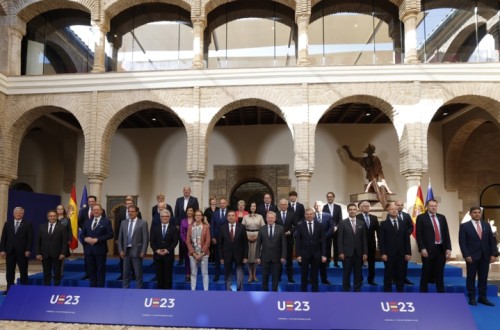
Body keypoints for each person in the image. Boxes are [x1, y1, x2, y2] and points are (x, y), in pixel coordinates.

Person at [459, 206, 498, 306]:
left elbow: (492, 241)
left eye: (478, 212)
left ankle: (482, 297)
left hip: (485, 256)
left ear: (480, 214)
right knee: (471, 277)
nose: (477, 214)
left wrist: (494, 254)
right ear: (470, 214)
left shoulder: (486, 225)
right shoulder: (464, 226)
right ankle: (471, 297)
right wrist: (466, 255)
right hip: (471, 257)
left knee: (483, 277)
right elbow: (462, 242)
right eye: (474, 212)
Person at [416, 199, 452, 293]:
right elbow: (419, 235)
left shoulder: (442, 217)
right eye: (431, 206)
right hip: (427, 250)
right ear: (427, 207)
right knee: (426, 272)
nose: (434, 207)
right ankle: (423, 293)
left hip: (441, 249)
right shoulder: (421, 218)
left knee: (440, 273)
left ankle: (441, 294)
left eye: (435, 206)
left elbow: (446, 234)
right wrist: (422, 248)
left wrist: (448, 248)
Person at [0, 207, 34, 294]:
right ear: (13, 214)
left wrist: (28, 249)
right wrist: (2, 250)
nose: (18, 214)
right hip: (10, 251)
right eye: (16, 213)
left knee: (23, 271)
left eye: (20, 213)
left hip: (22, 252)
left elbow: (30, 238)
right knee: (10, 271)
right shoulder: (8, 223)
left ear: (23, 214)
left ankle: (23, 289)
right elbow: (3, 238)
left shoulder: (28, 224)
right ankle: (9, 289)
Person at [379, 203, 411, 292]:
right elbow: (381, 240)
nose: (394, 211)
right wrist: (383, 253)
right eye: (392, 209)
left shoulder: (403, 223)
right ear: (388, 211)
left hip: (401, 254)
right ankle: (387, 294)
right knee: (388, 275)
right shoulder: (383, 224)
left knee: (400, 275)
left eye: (396, 209)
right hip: (388, 254)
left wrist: (408, 252)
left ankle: (400, 293)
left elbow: (406, 239)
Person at [81, 204, 113, 287]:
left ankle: (100, 288)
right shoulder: (87, 221)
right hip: (88, 250)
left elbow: (110, 235)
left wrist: (97, 239)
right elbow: (82, 235)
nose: (96, 211)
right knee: (90, 270)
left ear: (101, 211)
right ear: (92, 211)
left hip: (100, 250)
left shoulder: (106, 221)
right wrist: (85, 239)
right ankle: (92, 287)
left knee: (100, 270)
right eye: (94, 210)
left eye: (98, 210)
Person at [338, 203, 367, 292]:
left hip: (359, 253)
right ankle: (346, 289)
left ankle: (357, 289)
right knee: (346, 272)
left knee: (358, 273)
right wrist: (341, 252)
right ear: (348, 211)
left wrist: (365, 252)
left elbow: (364, 239)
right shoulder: (342, 223)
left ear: (357, 210)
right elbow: (340, 239)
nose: (352, 211)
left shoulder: (361, 223)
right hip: (346, 253)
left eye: (354, 209)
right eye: (350, 209)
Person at [295, 208, 327, 292]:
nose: (309, 215)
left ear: (314, 215)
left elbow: (323, 241)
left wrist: (324, 254)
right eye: (307, 214)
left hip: (316, 254)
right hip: (304, 254)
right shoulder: (300, 226)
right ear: (305, 215)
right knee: (304, 275)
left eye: (311, 214)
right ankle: (303, 292)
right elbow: (297, 241)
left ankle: (315, 293)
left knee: (315, 275)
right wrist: (298, 255)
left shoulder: (320, 226)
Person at [117, 205, 149, 289]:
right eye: (129, 211)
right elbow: (120, 238)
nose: (130, 213)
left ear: (137, 212)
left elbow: (146, 238)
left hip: (137, 251)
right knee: (125, 273)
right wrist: (120, 250)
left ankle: (138, 290)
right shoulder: (123, 222)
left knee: (138, 273)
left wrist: (143, 251)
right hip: (125, 251)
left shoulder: (143, 223)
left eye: (132, 211)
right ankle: (125, 290)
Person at [255, 211, 286, 291]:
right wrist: (257, 256)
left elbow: (284, 244)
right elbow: (258, 244)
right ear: (266, 219)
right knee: (264, 277)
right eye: (269, 218)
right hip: (265, 257)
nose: (270, 219)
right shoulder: (262, 229)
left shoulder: (281, 228)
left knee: (275, 277)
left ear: (275, 219)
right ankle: (265, 293)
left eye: (272, 218)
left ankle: (274, 292)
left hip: (277, 257)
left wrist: (283, 256)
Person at [36, 210, 68, 286]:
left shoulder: (62, 227)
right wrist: (38, 253)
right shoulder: (41, 227)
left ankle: (56, 288)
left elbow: (64, 242)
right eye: (50, 216)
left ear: (56, 217)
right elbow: (38, 241)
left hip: (58, 254)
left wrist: (63, 253)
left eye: (54, 216)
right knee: (46, 272)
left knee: (57, 273)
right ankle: (47, 288)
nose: (52, 217)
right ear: (47, 217)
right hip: (45, 253)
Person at [78, 195, 106, 280]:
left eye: (92, 201)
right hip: (87, 239)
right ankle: (88, 274)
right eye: (89, 201)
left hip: (98, 242)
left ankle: (98, 278)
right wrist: (87, 230)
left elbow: (103, 224)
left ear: (95, 202)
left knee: (99, 265)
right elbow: (80, 222)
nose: (90, 203)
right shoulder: (83, 211)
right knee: (88, 260)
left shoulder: (102, 211)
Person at [114, 196, 142, 281]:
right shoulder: (121, 211)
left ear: (132, 203)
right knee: (123, 258)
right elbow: (117, 225)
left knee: (134, 257)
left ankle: (134, 275)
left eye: (130, 203)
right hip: (123, 239)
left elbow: (140, 226)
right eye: (127, 203)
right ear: (125, 204)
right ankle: (123, 275)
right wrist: (117, 238)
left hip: (134, 239)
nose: (129, 204)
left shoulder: (137, 212)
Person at [219, 210, 248, 291]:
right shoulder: (222, 227)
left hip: (239, 255)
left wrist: (245, 256)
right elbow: (220, 244)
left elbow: (245, 243)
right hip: (227, 255)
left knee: (239, 274)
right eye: (229, 215)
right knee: (227, 273)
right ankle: (228, 289)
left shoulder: (242, 227)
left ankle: (240, 290)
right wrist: (221, 257)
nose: (231, 217)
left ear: (236, 217)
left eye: (233, 215)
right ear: (227, 217)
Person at [150, 210, 179, 290]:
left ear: (169, 217)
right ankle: (160, 293)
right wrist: (156, 250)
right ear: (160, 217)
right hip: (157, 256)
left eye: (166, 216)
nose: (165, 218)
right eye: (163, 216)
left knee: (168, 275)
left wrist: (167, 250)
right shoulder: (155, 228)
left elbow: (175, 242)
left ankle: (168, 293)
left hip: (168, 256)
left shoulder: (174, 229)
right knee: (159, 276)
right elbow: (152, 242)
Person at [174, 186, 199, 266]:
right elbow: (176, 213)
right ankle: (181, 259)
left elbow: (196, 212)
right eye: (185, 190)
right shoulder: (179, 200)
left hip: (191, 223)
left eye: (188, 190)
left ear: (190, 191)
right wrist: (177, 224)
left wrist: (196, 223)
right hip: (181, 224)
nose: (186, 191)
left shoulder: (194, 200)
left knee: (192, 241)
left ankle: (193, 257)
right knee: (181, 242)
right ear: (183, 191)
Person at [186, 210, 211, 291]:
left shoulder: (206, 227)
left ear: (202, 217)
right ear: (194, 217)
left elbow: (208, 241)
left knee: (205, 273)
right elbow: (188, 241)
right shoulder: (190, 227)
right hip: (193, 255)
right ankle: (193, 291)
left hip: (204, 254)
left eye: (199, 215)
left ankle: (206, 291)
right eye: (196, 215)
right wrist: (194, 254)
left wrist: (201, 254)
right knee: (193, 273)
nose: (198, 216)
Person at [242, 202, 265, 283]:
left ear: (256, 207)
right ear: (249, 207)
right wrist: (247, 237)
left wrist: (258, 237)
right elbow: (242, 228)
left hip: (257, 236)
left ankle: (254, 274)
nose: (253, 207)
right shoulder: (245, 217)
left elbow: (263, 228)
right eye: (251, 206)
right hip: (247, 236)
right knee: (248, 256)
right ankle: (250, 275)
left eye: (254, 206)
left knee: (256, 256)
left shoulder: (260, 216)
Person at [357, 200, 379, 285]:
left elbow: (378, 232)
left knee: (372, 263)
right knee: (359, 263)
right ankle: (360, 279)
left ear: (370, 208)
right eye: (364, 206)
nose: (366, 207)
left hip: (371, 244)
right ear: (361, 208)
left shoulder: (374, 218)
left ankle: (371, 279)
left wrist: (379, 244)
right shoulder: (357, 217)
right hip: (360, 244)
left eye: (367, 206)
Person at [276, 198, 298, 283]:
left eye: (285, 204)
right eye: (281, 204)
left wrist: (290, 231)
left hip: (289, 240)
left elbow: (296, 226)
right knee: (278, 260)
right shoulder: (276, 214)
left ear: (287, 205)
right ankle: (278, 277)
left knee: (289, 260)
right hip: (278, 241)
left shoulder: (292, 214)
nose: (283, 206)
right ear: (279, 206)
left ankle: (290, 277)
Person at [395, 200, 415, 285]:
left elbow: (411, 226)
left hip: (405, 242)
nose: (399, 206)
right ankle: (394, 278)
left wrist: (406, 234)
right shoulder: (390, 215)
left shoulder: (406, 216)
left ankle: (404, 278)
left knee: (404, 262)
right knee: (394, 262)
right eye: (398, 205)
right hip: (394, 243)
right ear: (395, 205)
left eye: (401, 205)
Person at [314, 200, 334, 284]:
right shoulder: (311, 215)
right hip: (314, 242)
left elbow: (331, 227)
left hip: (325, 242)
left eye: (319, 205)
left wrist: (324, 236)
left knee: (324, 262)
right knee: (313, 262)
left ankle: (324, 279)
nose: (318, 207)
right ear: (314, 207)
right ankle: (312, 278)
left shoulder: (328, 216)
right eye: (316, 205)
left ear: (322, 207)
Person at [210, 197, 228, 282]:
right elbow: (212, 226)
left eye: (224, 203)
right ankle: (216, 275)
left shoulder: (230, 213)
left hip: (227, 240)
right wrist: (212, 237)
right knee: (217, 258)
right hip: (216, 239)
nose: (222, 204)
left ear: (226, 203)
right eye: (220, 203)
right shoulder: (215, 213)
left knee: (227, 259)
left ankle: (227, 276)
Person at [323, 192, 343, 267]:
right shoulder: (324, 207)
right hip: (327, 230)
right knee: (327, 246)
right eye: (328, 197)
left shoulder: (338, 207)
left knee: (336, 246)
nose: (329, 198)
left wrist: (336, 227)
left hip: (336, 230)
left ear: (333, 198)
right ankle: (327, 261)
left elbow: (340, 219)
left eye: (331, 197)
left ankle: (336, 261)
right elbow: (324, 219)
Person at [55, 204, 72, 277]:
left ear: (63, 210)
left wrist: (69, 239)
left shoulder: (67, 219)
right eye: (58, 209)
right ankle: (54, 272)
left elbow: (69, 230)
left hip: (63, 241)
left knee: (61, 257)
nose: (59, 210)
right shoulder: (53, 218)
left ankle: (60, 273)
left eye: (61, 209)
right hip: (53, 241)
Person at [180, 207, 195, 282]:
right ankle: (187, 274)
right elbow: (181, 232)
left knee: (194, 259)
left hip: (195, 243)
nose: (189, 212)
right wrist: (185, 241)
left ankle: (193, 274)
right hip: (186, 243)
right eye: (188, 210)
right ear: (186, 212)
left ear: (193, 212)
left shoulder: (196, 220)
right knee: (187, 260)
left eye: (191, 210)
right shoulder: (183, 221)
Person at [204, 196, 219, 262]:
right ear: (210, 202)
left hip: (217, 228)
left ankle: (215, 257)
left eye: (215, 200)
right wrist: (210, 225)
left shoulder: (218, 209)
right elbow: (205, 220)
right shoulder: (207, 210)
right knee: (209, 243)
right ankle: (209, 257)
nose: (214, 201)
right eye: (212, 200)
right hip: (209, 228)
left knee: (216, 243)